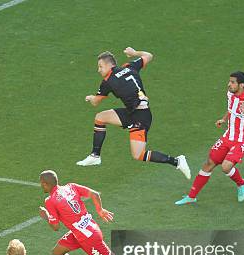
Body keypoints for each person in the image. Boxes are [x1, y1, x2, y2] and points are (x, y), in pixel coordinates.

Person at [39, 170, 156, 255]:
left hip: (89, 239)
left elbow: (55, 226)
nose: (41, 186)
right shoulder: (71, 187)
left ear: (46, 184)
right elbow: (94, 194)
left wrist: (45, 215)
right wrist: (100, 210)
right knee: (58, 251)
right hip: (84, 229)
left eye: (42, 183)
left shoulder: (50, 201)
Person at [77, 47, 190, 179]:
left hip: (140, 118)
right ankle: (95, 156)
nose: (99, 70)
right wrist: (134, 53)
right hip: (135, 112)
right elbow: (148, 55)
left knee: (138, 155)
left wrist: (91, 98)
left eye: (100, 66)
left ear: (109, 65)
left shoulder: (108, 82)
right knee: (100, 118)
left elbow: (95, 102)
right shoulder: (129, 67)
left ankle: (177, 161)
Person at [175, 71, 244, 205]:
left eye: (233, 82)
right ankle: (191, 196)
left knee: (226, 167)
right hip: (227, 136)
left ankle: (241, 184)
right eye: (229, 81)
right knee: (209, 163)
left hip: (241, 140)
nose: (229, 84)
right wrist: (223, 119)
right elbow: (231, 109)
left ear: (241, 85)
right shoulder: (230, 95)